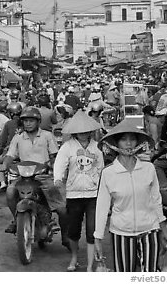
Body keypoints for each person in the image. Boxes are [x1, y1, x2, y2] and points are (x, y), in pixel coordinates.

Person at [94, 119, 167, 272]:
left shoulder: (148, 168)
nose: (128, 143)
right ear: (116, 144)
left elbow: (156, 200)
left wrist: (163, 230)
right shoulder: (108, 173)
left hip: (150, 229)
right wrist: (98, 238)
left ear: (138, 143)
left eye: (132, 139)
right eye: (124, 139)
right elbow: (102, 207)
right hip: (121, 232)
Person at [2, 107, 65, 238]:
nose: (28, 123)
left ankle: (63, 232)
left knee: (61, 207)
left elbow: (54, 155)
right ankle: (16, 218)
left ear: (38, 122)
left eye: (31, 121)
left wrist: (54, 166)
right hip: (23, 177)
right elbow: (10, 155)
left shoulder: (47, 136)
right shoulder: (18, 137)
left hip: (43, 176)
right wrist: (4, 165)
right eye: (25, 121)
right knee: (10, 192)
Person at [54, 110, 104, 272]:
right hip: (73, 194)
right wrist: (58, 179)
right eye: (80, 131)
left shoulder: (97, 148)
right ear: (75, 132)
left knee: (92, 231)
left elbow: (101, 169)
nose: (83, 134)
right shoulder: (67, 147)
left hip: (93, 195)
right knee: (73, 231)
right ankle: (74, 257)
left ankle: (90, 266)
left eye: (86, 131)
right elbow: (60, 164)